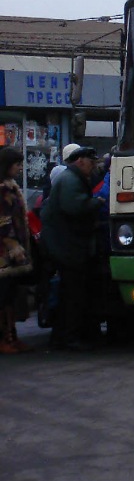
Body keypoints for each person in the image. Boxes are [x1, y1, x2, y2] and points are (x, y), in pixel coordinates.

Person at [41, 145, 104, 351]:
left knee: (70, 293)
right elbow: (75, 207)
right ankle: (68, 337)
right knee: (72, 295)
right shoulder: (70, 181)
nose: (93, 166)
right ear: (80, 161)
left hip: (66, 246)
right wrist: (96, 203)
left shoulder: (73, 177)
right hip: (66, 248)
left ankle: (62, 336)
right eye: (91, 162)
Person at [0, 147, 34, 354]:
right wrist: (13, 245)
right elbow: (3, 220)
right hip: (5, 253)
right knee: (3, 297)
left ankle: (12, 336)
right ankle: (6, 338)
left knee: (10, 295)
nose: (20, 168)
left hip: (12, 250)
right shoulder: (3, 189)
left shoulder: (9, 187)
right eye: (17, 164)